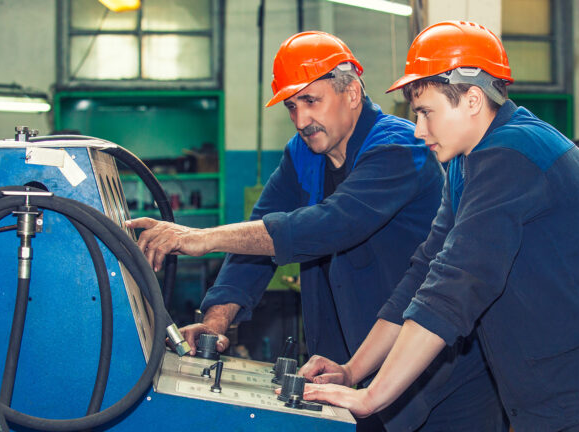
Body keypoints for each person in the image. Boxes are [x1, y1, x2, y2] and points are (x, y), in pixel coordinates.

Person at [302, 21, 579, 431]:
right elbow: (425, 272)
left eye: (426, 113)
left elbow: (454, 287)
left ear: (473, 100)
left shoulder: (512, 155)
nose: (419, 130)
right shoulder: (466, 164)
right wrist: (355, 371)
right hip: (556, 401)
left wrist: (372, 398)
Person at [128, 31, 506, 431]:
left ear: (352, 94)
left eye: (311, 100)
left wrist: (201, 238)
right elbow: (262, 233)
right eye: (292, 106)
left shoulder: (400, 148)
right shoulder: (304, 154)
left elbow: (331, 225)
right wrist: (217, 321)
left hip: (438, 375)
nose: (301, 119)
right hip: (347, 369)